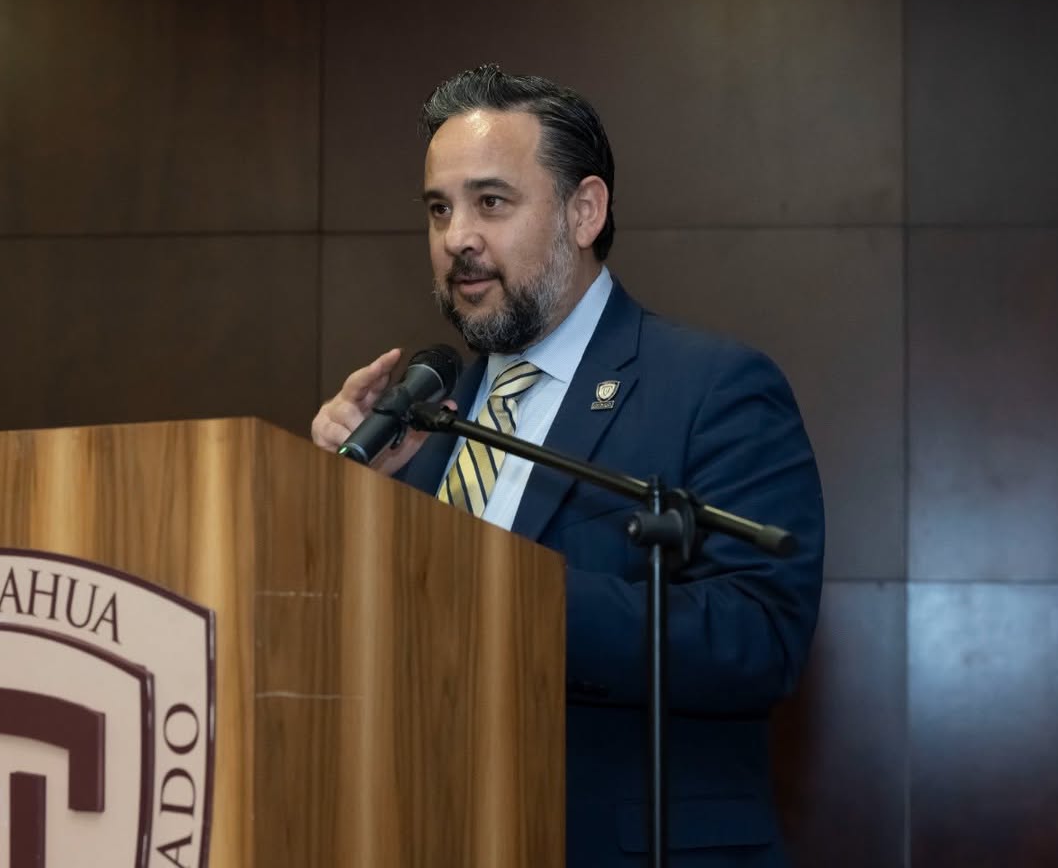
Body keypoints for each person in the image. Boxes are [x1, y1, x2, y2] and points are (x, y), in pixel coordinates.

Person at [310, 64, 824, 868]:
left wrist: (506, 591)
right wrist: (344, 507)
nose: (456, 238)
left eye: (490, 202)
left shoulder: (710, 387)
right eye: (439, 209)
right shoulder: (420, 420)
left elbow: (758, 640)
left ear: (584, 211)